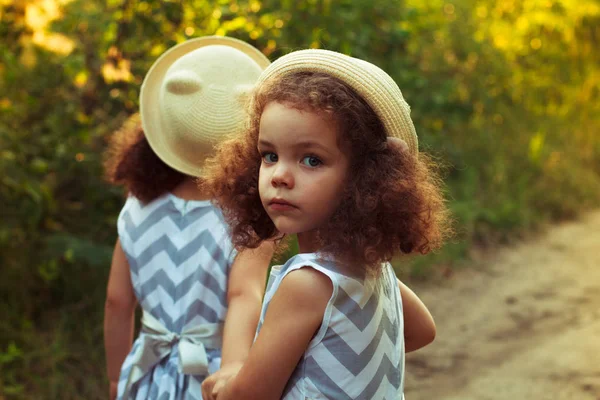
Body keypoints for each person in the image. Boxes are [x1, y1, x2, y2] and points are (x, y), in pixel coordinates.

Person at [200, 49, 451, 400]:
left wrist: (226, 383)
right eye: (269, 155)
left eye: (311, 160)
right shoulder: (372, 270)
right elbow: (423, 330)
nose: (280, 175)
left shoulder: (307, 284)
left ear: (365, 178)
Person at [102, 36, 274, 400]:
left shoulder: (137, 206)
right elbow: (245, 295)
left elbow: (117, 301)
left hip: (147, 375)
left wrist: (118, 379)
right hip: (217, 377)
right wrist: (234, 371)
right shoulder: (249, 215)